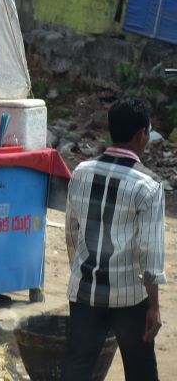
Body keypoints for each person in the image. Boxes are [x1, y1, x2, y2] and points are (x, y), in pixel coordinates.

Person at [62, 97, 166, 381]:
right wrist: (154, 306)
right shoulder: (148, 186)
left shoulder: (81, 172)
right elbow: (150, 253)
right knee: (141, 371)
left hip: (84, 291)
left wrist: (82, 273)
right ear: (141, 134)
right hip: (129, 298)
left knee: (76, 369)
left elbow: (72, 231)